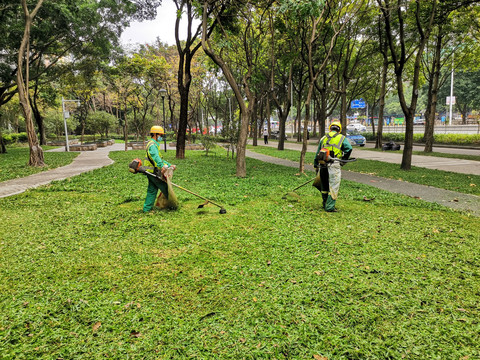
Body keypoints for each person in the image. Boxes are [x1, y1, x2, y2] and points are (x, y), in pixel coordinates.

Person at [313, 121, 352, 212]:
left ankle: (325, 203)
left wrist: (316, 165)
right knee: (333, 185)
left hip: (323, 164)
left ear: (330, 129)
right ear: (339, 130)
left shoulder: (323, 138)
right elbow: (349, 148)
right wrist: (343, 160)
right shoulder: (342, 138)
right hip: (334, 164)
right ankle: (330, 207)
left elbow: (318, 152)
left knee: (324, 185)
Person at [143, 125, 176, 212]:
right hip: (153, 172)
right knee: (165, 188)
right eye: (160, 135)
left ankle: (146, 209)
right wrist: (163, 166)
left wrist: (169, 165)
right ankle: (172, 206)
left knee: (152, 190)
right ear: (155, 134)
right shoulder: (152, 145)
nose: (161, 137)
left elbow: (160, 159)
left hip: (150, 172)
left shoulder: (154, 144)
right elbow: (155, 157)